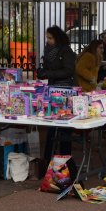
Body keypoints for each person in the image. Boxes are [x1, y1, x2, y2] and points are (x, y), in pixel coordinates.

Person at [37, 25, 76, 163]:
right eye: (47, 38)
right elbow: (49, 68)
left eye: (50, 38)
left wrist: (48, 73)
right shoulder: (48, 51)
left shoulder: (66, 51)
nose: (48, 40)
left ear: (57, 38)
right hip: (53, 89)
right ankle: (47, 159)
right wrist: (42, 71)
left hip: (65, 91)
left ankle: (65, 160)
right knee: (52, 125)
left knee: (64, 127)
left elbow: (68, 71)